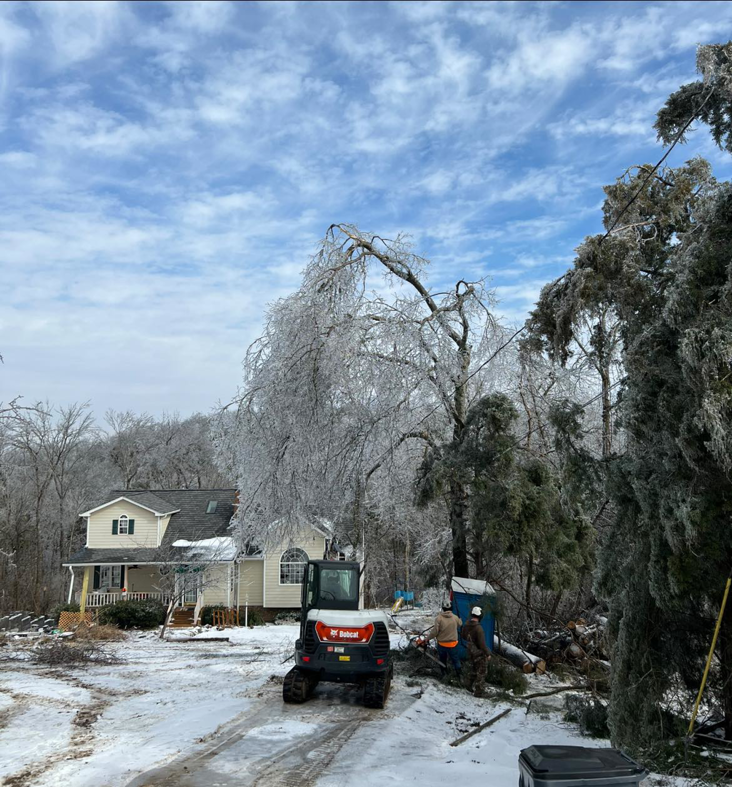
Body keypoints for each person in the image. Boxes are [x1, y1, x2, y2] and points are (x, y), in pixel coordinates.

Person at [417, 600, 462, 679]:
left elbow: (434, 632)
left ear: (443, 608)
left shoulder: (439, 618)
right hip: (453, 644)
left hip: (442, 644)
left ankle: (444, 675)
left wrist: (427, 639)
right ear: (451, 608)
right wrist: (460, 619)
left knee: (442, 660)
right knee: (456, 661)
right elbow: (460, 624)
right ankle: (459, 676)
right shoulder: (455, 618)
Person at [461, 605, 491, 697]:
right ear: (480, 616)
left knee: (473, 669)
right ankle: (479, 692)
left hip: (470, 651)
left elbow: (463, 636)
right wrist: (488, 653)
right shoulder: (479, 628)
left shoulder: (466, 625)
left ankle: (468, 685)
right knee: (482, 672)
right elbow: (482, 644)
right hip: (479, 653)